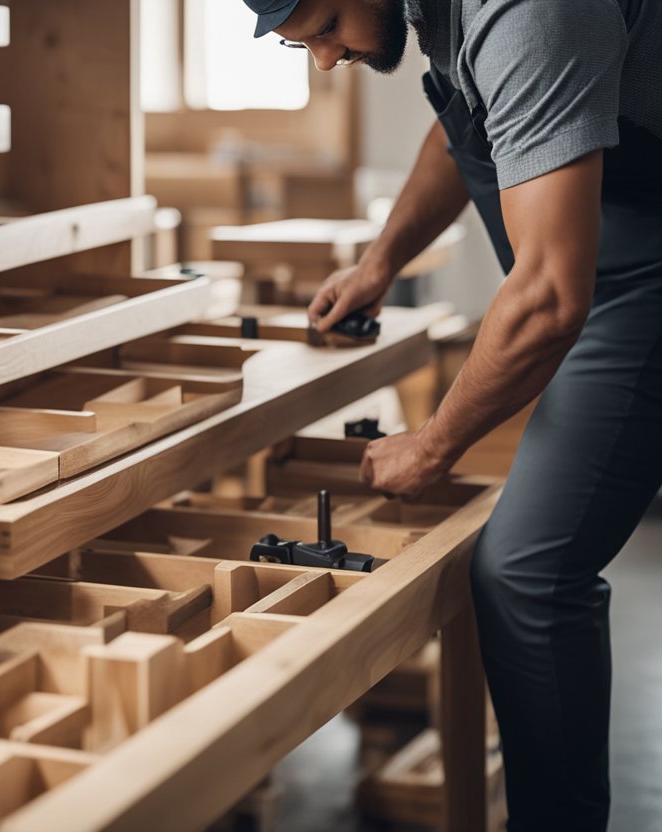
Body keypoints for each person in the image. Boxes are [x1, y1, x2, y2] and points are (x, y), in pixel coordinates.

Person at [242, 0, 662, 829]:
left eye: (325, 24)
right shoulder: (440, 15)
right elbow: (468, 123)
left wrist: (433, 444)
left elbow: (546, 300)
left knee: (526, 576)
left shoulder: (529, 10)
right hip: (591, 286)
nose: (324, 60)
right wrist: (379, 262)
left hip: (641, 283)